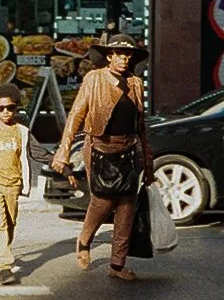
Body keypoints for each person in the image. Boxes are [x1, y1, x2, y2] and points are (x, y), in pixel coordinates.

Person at [51, 32, 154, 281]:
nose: (124, 59)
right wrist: (63, 151)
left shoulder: (135, 83)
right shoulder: (94, 79)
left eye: (128, 54)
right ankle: (85, 239)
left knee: (127, 206)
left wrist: (148, 162)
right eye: (119, 54)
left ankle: (117, 264)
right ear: (109, 56)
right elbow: (76, 114)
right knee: (102, 201)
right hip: (100, 147)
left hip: (129, 148)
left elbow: (141, 125)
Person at [0, 83, 53, 286]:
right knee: (0, 225)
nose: (5, 112)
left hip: (14, 186)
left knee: (10, 223)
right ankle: (4, 267)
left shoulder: (22, 132)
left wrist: (61, 164)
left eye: (10, 108)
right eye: (0, 108)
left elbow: (38, 152)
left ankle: (0, 253)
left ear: (16, 108)